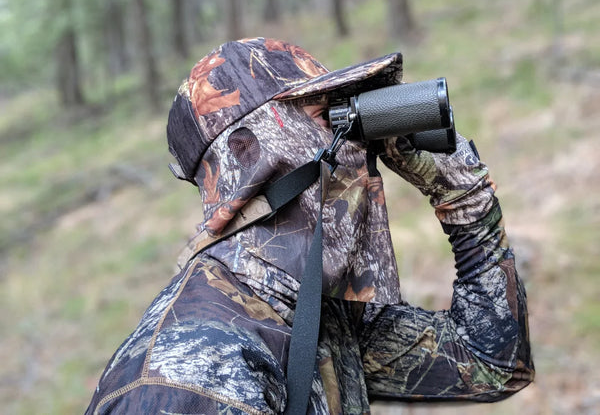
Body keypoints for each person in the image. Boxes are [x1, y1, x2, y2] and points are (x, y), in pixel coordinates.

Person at [86, 37, 534, 414]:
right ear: (246, 155)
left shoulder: (317, 311)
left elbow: (491, 363)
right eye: (327, 119)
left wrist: (466, 199)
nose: (359, 149)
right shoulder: (190, 373)